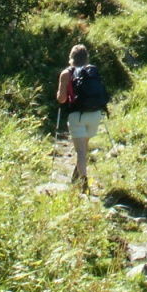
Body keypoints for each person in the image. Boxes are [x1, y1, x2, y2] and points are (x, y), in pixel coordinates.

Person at [56, 43, 102, 192]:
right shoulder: (92, 71)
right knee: (84, 146)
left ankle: (84, 183)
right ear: (87, 58)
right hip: (95, 114)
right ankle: (77, 174)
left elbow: (62, 99)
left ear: (71, 57)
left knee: (80, 152)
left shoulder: (66, 73)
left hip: (77, 116)